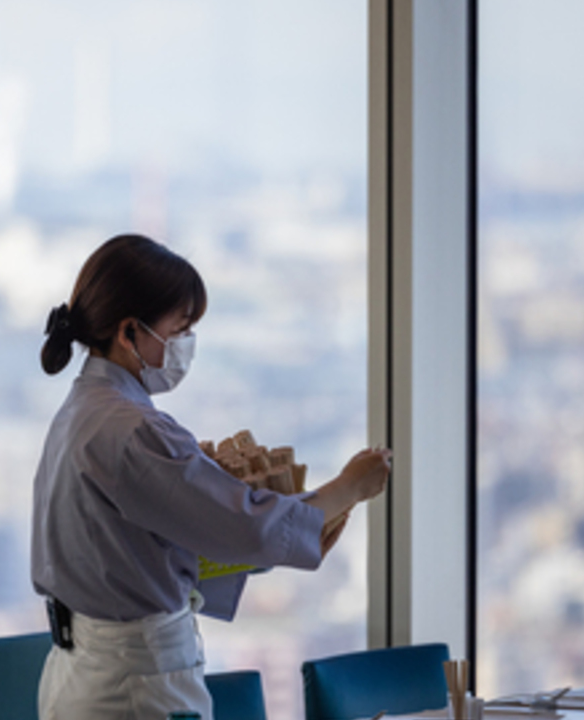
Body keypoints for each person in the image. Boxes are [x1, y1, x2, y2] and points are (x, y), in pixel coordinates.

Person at [32, 234, 391, 720]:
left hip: (83, 670)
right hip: (133, 682)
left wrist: (270, 534)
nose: (187, 344)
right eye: (179, 328)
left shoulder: (82, 410)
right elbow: (245, 527)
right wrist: (348, 487)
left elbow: (133, 556)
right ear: (129, 332)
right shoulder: (134, 430)